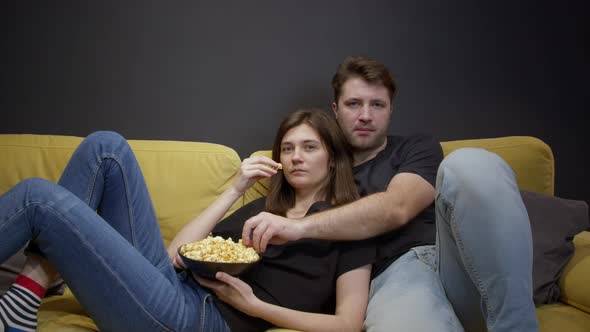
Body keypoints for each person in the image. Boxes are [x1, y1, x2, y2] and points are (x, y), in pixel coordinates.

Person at [0, 109, 374, 332]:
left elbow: (348, 323)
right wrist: (235, 188)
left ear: (333, 157)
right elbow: (175, 253)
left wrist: (254, 307)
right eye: (288, 148)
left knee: (39, 197)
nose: (295, 157)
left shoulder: (348, 224)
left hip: (200, 321)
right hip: (172, 289)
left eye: (309, 147)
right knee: (106, 147)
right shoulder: (263, 212)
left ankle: (29, 289)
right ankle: (33, 286)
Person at [242, 56, 539, 332]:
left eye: (378, 105)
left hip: (454, 259)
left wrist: (299, 228)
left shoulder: (415, 148)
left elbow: (397, 207)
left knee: (470, 163)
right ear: (335, 109)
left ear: (391, 109)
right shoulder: (317, 166)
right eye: (354, 104)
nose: (365, 116)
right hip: (393, 276)